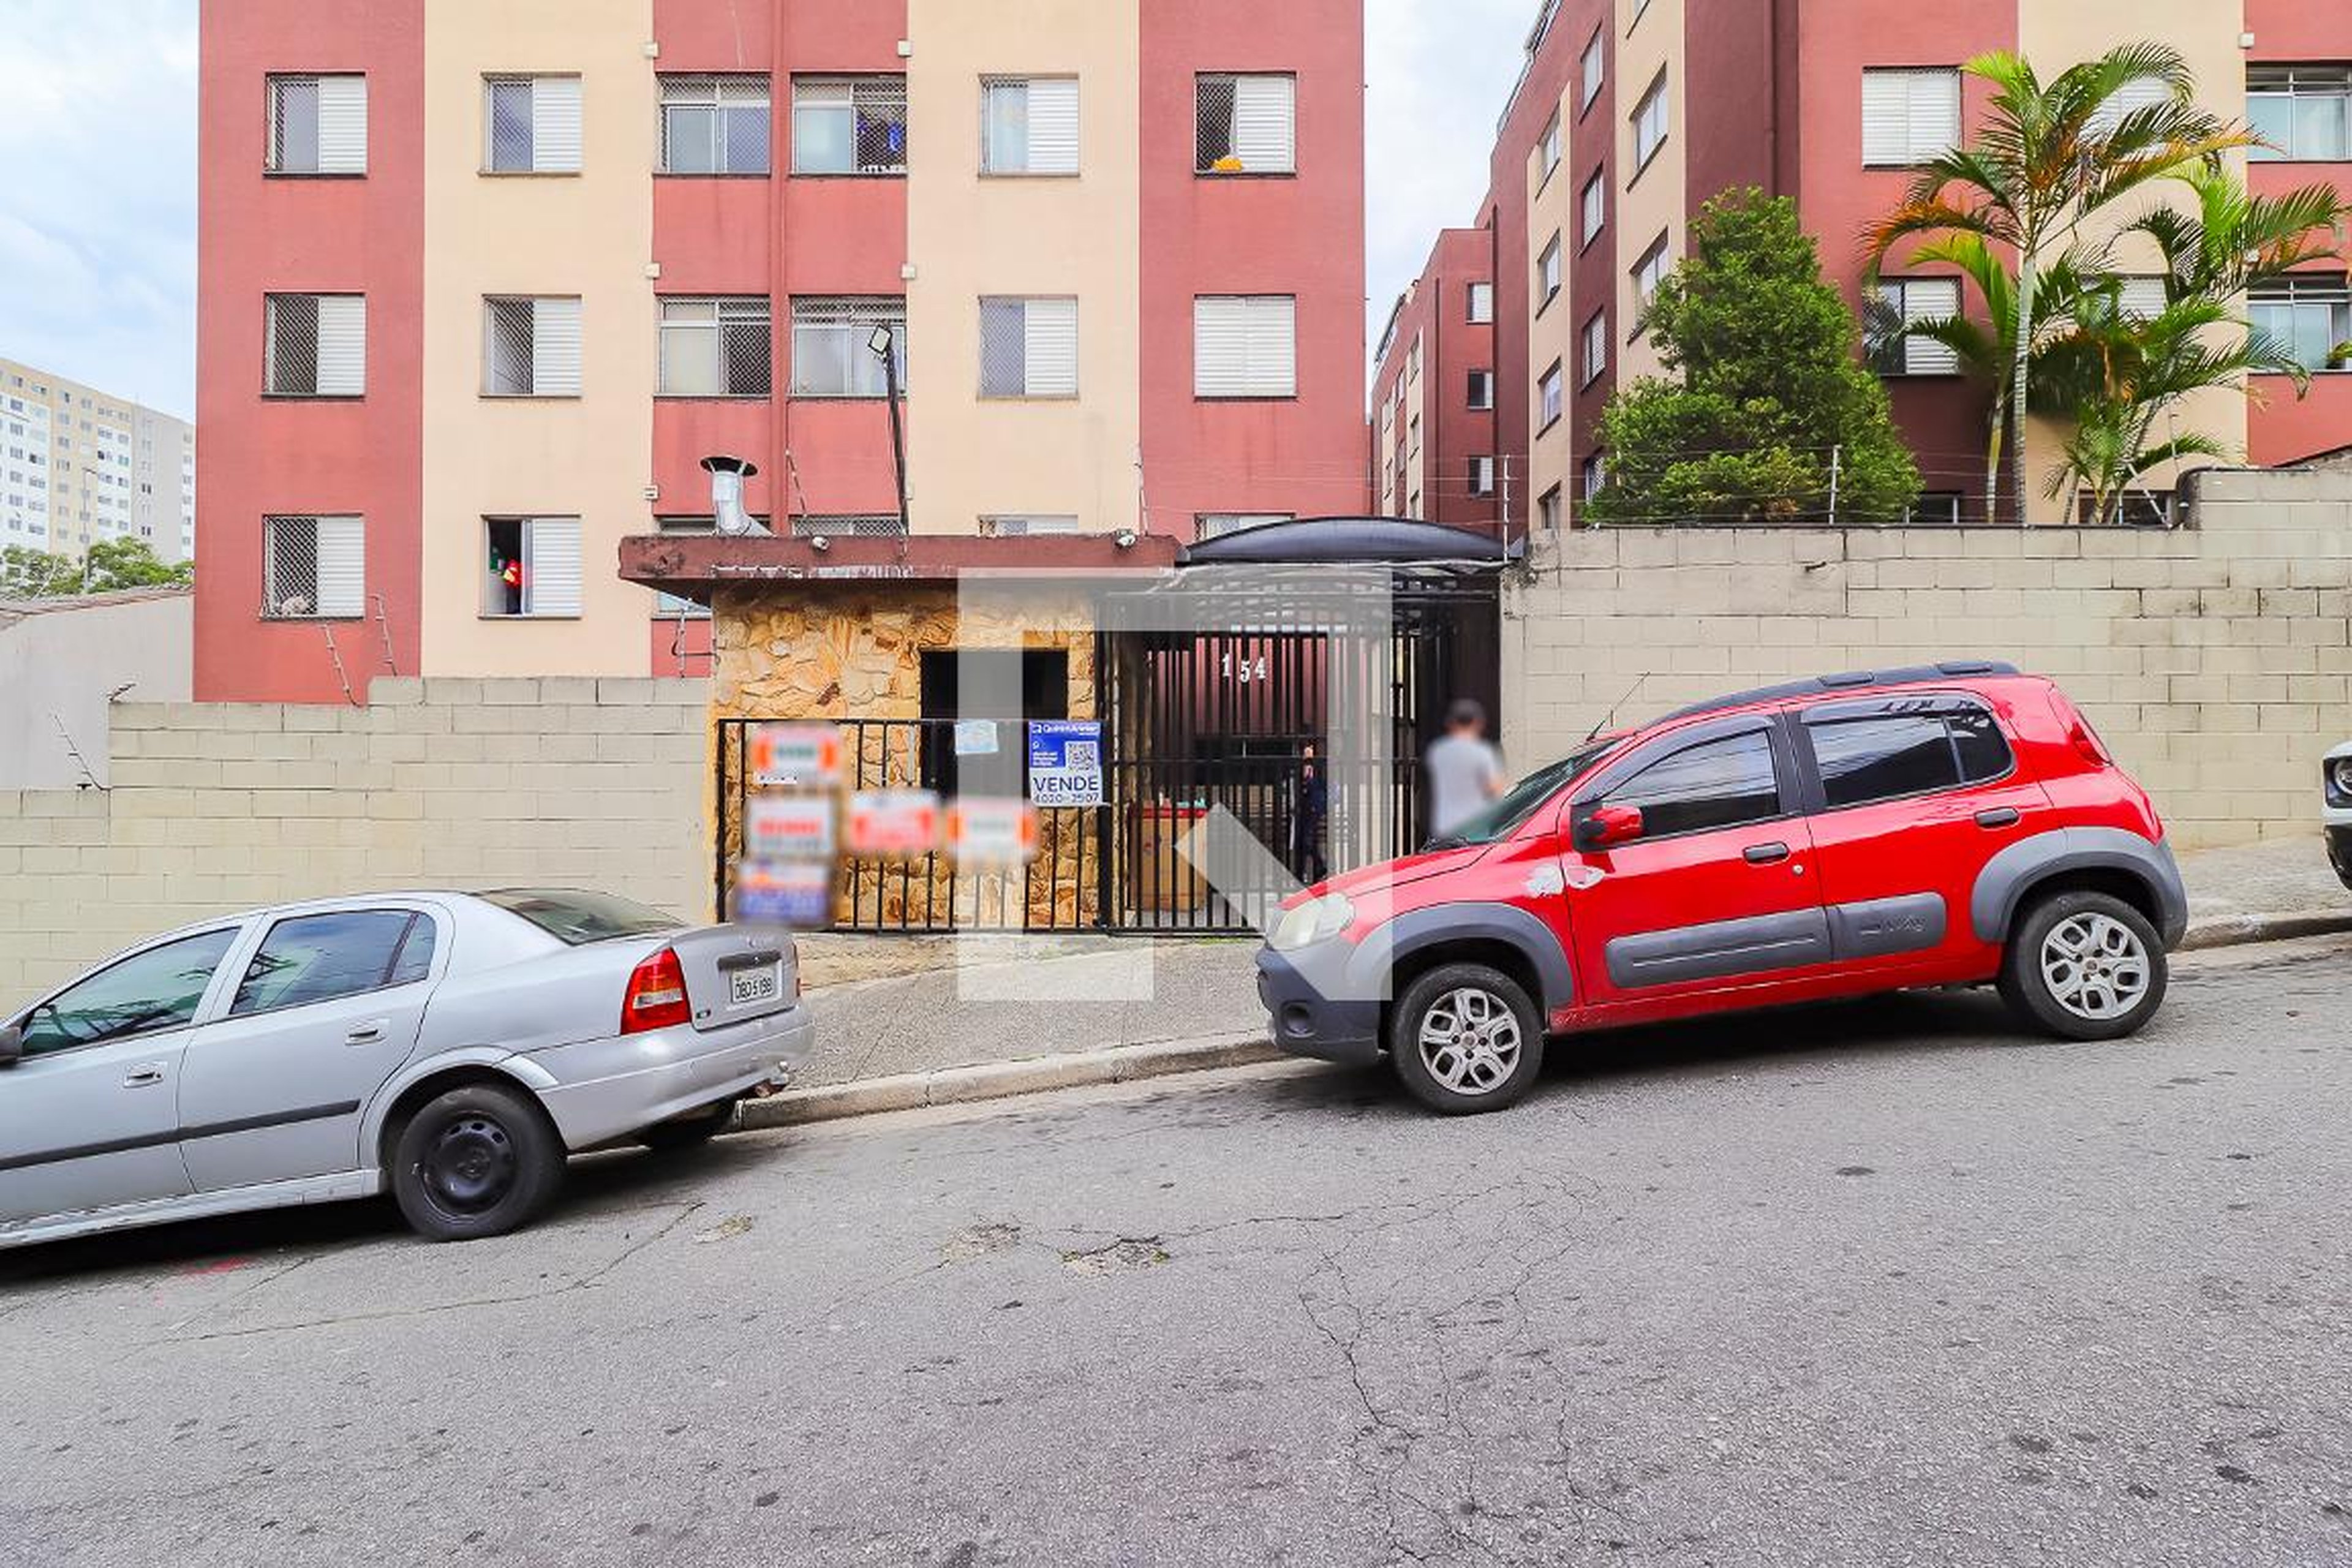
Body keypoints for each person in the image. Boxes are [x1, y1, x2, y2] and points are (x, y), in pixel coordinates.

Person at [1424, 699, 1505, 837]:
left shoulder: (1437, 750)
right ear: (1478, 723)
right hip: (1475, 825)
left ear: (1451, 723)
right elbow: (1495, 789)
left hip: (1444, 826)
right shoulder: (1483, 752)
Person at [1291, 742, 1329, 884]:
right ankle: (1316, 869)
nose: (1308, 757)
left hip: (1313, 809)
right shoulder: (1299, 768)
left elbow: (1321, 789)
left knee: (1307, 840)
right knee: (1305, 840)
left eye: (1310, 754)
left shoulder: (1318, 769)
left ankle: (1316, 868)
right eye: (1306, 754)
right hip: (1302, 808)